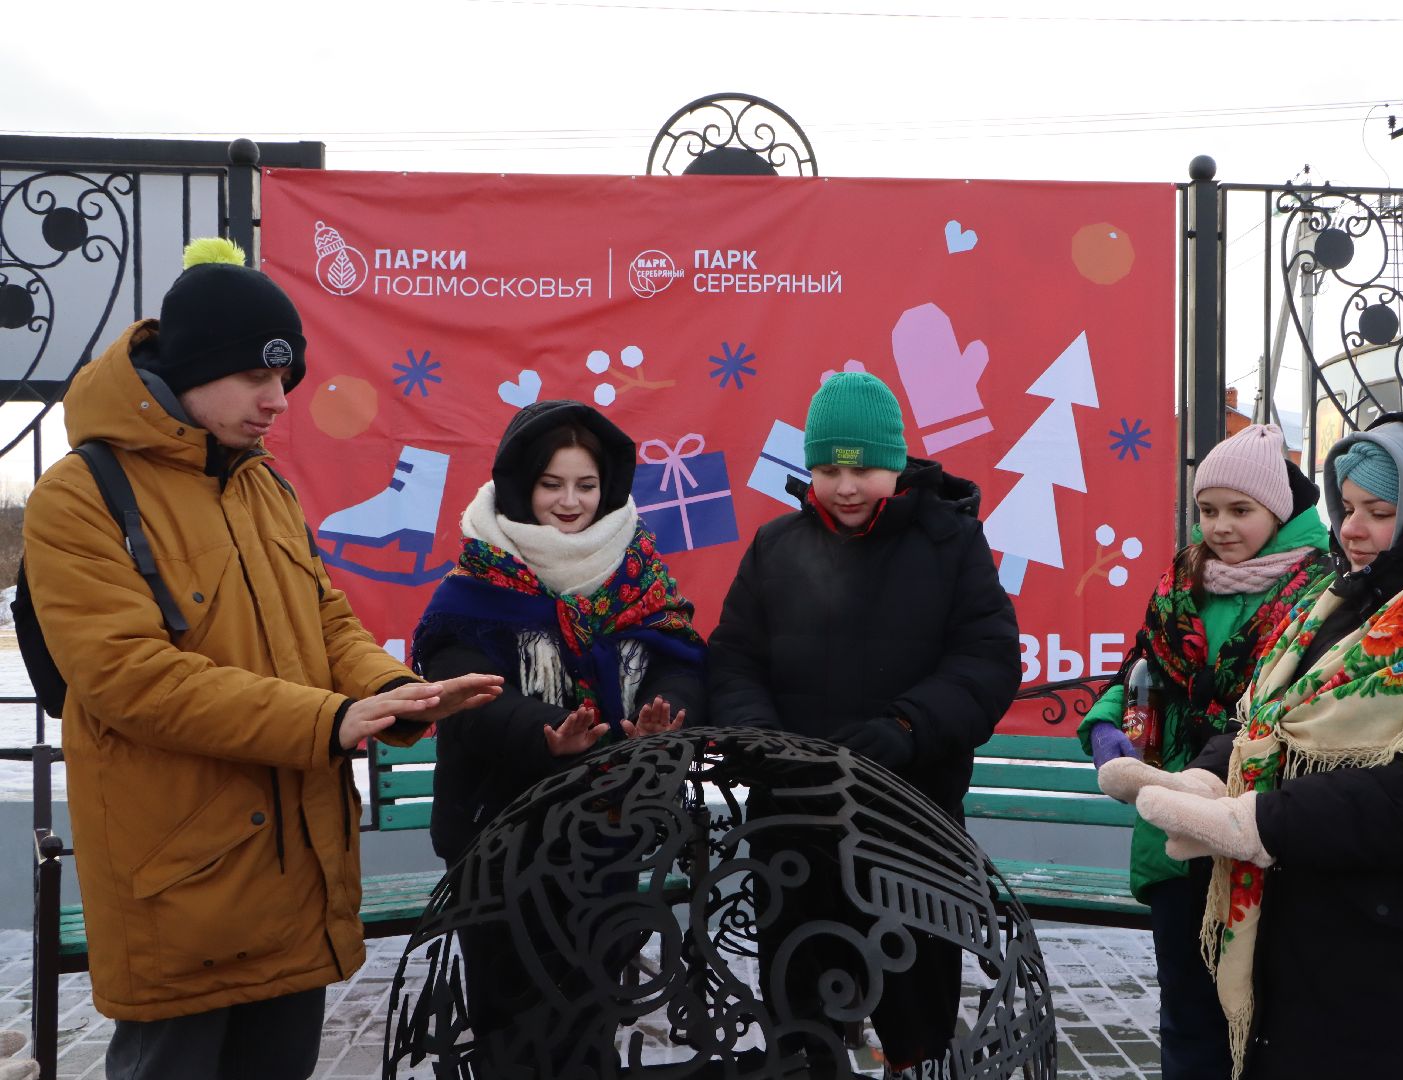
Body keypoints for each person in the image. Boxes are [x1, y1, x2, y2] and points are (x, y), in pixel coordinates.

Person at [21, 238, 502, 1080]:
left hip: (295, 869)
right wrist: (330, 719)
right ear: (192, 368)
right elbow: (131, 679)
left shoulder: (262, 482)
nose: (279, 401)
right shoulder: (79, 495)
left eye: (287, 380)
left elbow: (325, 619)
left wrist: (393, 691)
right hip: (180, 885)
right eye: (256, 378)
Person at [1114, 412, 1403, 1080]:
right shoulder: (1355, 601)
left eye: (1381, 511)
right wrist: (1208, 775)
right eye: (1348, 507)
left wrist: (1258, 821)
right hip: (1333, 953)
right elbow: (1272, 719)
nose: (1352, 529)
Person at [708, 371, 1021, 1079]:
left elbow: (988, 660)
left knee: (917, 1023)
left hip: (909, 824)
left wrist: (907, 727)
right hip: (792, 827)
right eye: (827, 469)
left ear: (898, 463)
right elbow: (732, 660)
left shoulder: (951, 545)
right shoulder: (775, 547)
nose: (845, 486)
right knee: (802, 1021)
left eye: (863, 468)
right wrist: (759, 734)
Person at [411, 399, 706, 1073]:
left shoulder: (639, 570)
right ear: (520, 484)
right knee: (512, 1023)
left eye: (586, 485)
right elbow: (463, 688)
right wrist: (544, 734)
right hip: (501, 843)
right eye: (551, 484)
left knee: (595, 1008)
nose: (570, 502)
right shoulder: (479, 579)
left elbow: (682, 660)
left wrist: (665, 713)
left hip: (610, 834)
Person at [1080, 423, 1334, 1080]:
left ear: (1279, 511)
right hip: (1169, 821)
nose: (1220, 526)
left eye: (1240, 510)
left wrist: (1204, 768)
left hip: (1256, 828)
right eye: (1208, 509)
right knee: (1187, 1014)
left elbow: (1282, 705)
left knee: (1261, 1017)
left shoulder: (1318, 591)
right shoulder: (1182, 582)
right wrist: (1108, 731)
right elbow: (1140, 670)